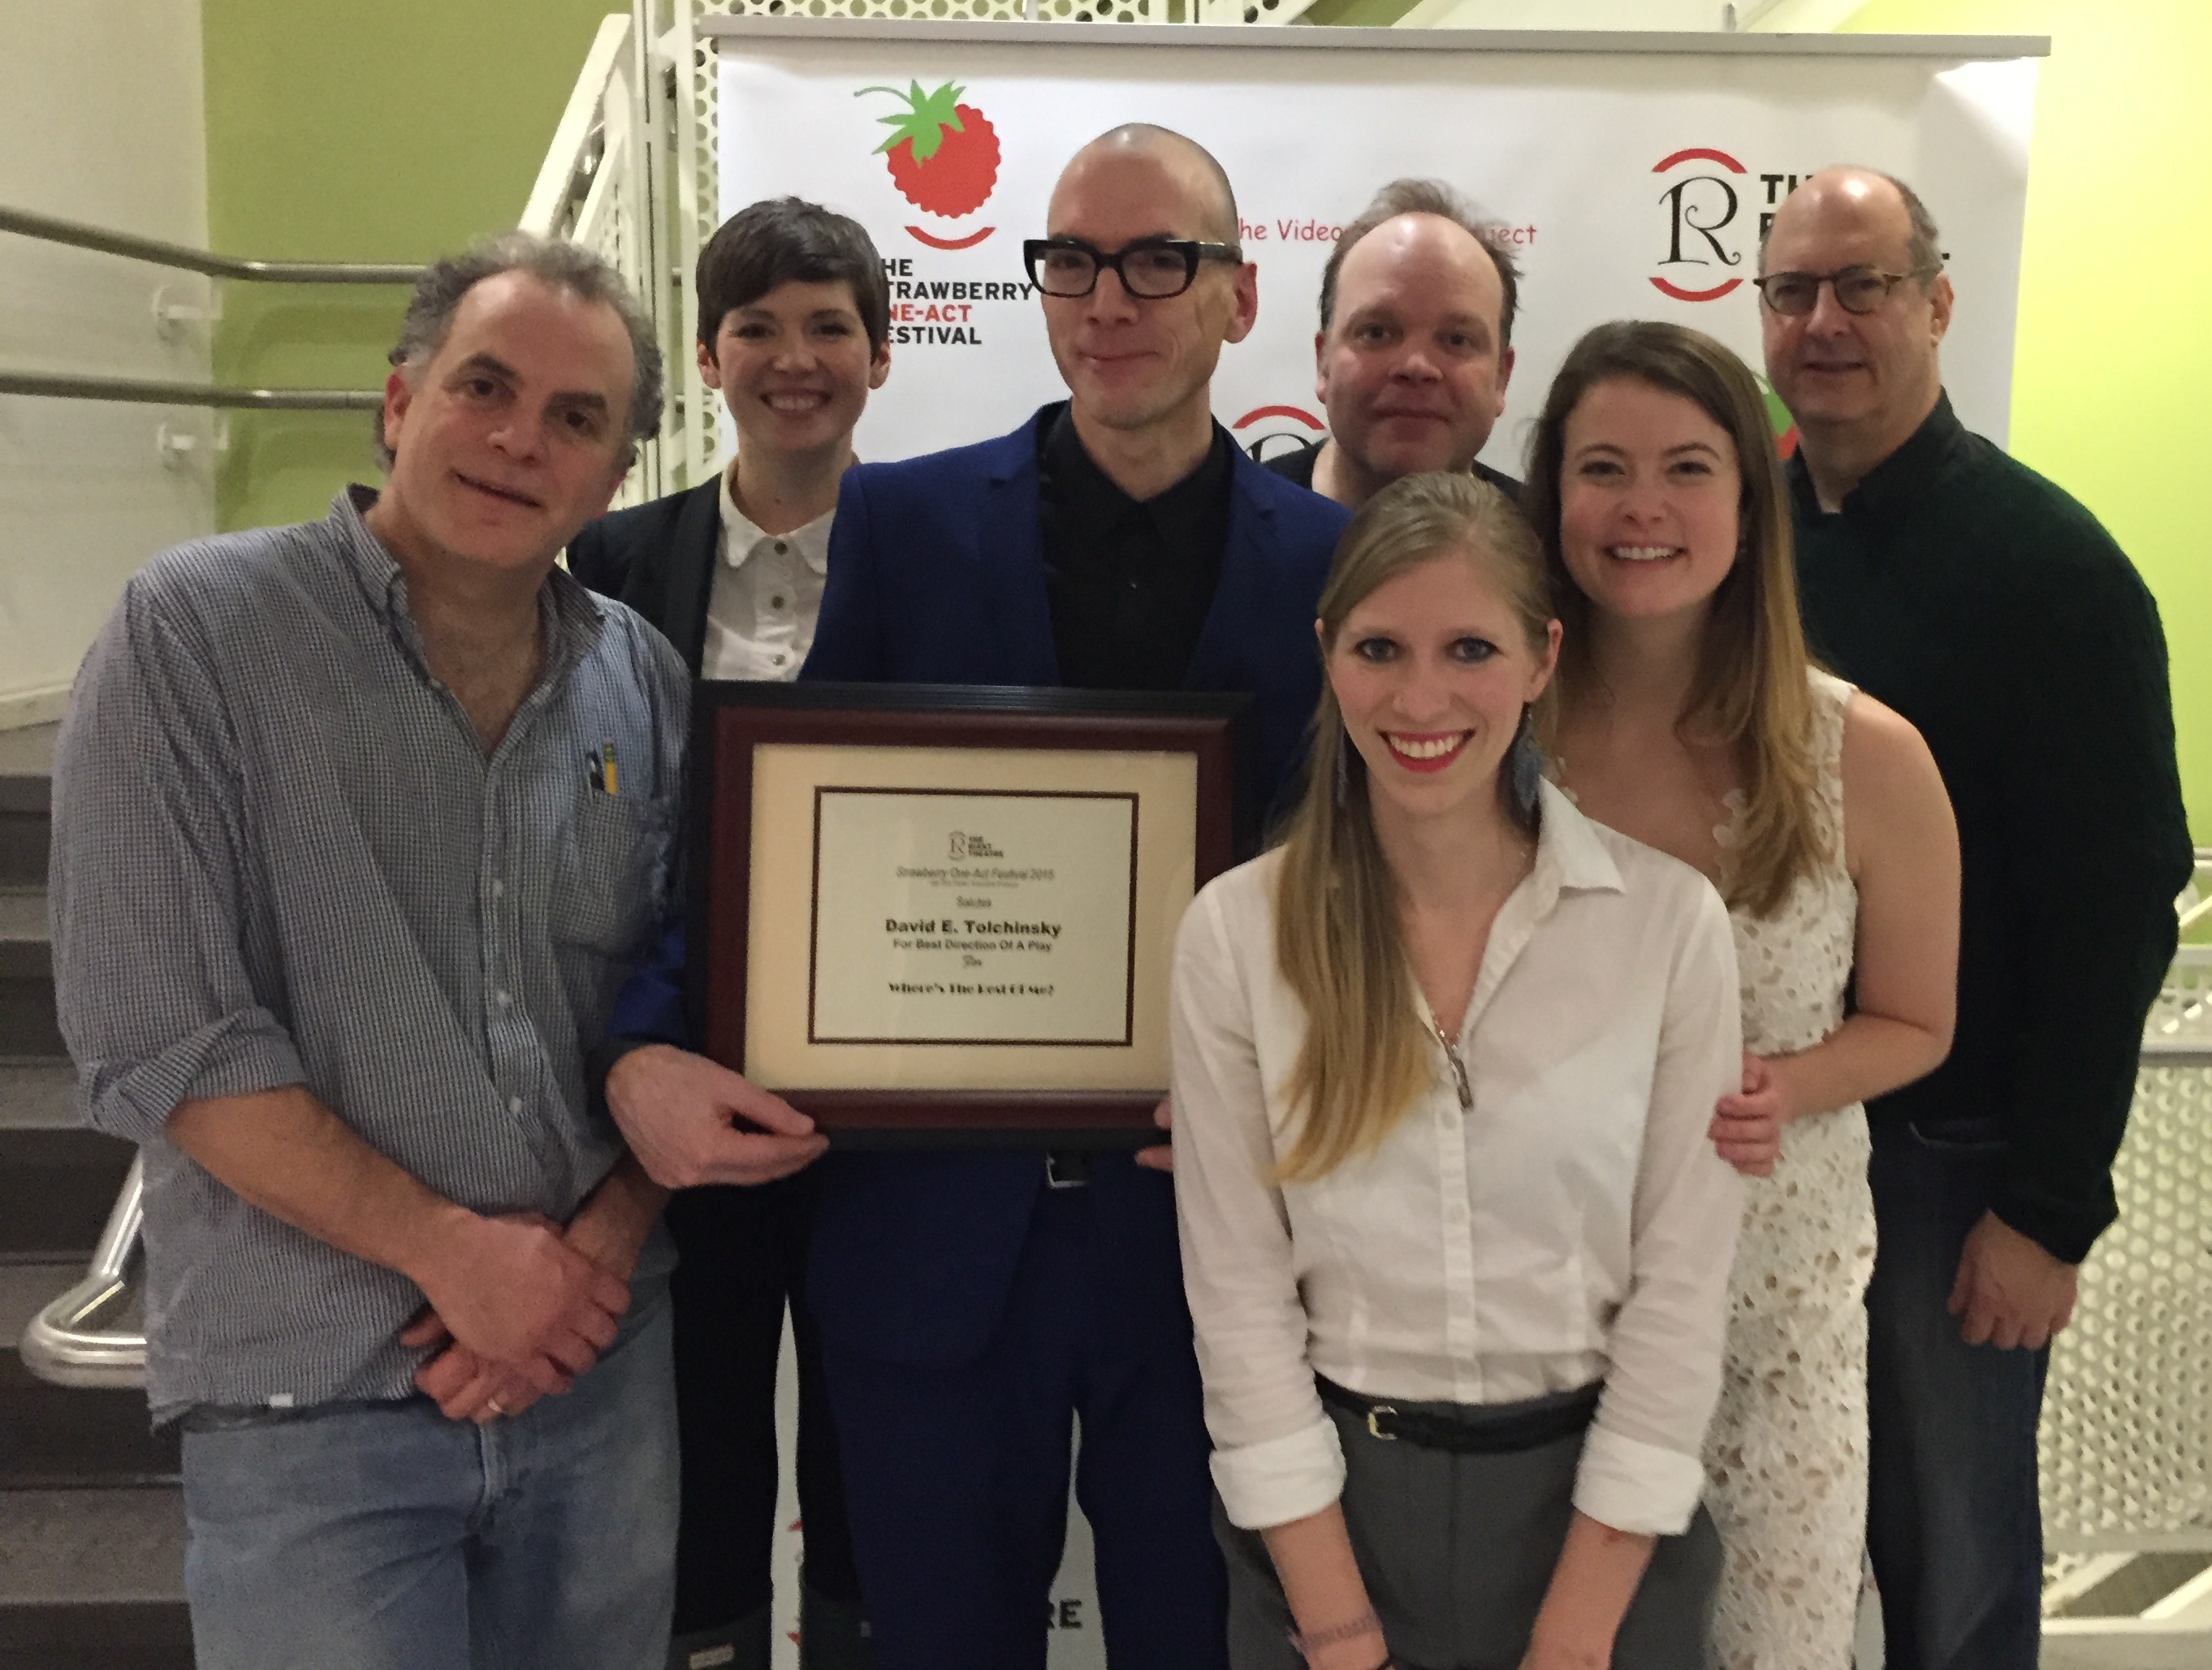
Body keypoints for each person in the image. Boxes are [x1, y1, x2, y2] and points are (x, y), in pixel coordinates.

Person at [601, 123, 1351, 1669]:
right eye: (1070, 261)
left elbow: (1387, 879)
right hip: (934, 1230)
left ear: (1237, 294)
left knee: (1198, 1644)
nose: (1108, 299)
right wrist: (645, 1041)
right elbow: (788, 839)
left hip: (1220, 1234)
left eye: (1159, 260)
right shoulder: (906, 521)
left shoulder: (1339, 564)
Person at [46, 233, 825, 1670]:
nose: (520, 439)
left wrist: (576, 1272)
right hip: (312, 1408)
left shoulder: (638, 681)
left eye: (576, 418)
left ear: (613, 474)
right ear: (399, 402)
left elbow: (674, 1004)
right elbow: (161, 1033)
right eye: (485, 386)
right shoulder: (195, 638)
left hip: (592, 1389)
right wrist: (452, 1258)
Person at [1173, 470, 1746, 1670]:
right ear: (1329, 652)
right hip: (1326, 1525)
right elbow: (1239, 1305)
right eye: (1381, 647)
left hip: (1601, 1521)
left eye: (1469, 647)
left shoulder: (1665, 926)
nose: (1420, 696)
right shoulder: (1237, 933)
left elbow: (1682, 1300)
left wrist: (1577, 1639)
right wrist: (1336, 1633)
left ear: (1542, 658)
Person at [1758, 167, 2193, 1670]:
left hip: (1948, 1173)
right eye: (1789, 291)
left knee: (1949, 1577)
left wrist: (2046, 1208)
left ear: (1936, 304)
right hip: (1744, 1143)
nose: (1820, 324)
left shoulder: (2050, 574)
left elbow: (2114, 906)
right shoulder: (1724, 543)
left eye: (1858, 286)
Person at [1523, 319, 1960, 1668]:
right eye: (1600, 467)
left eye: (1684, 468)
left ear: (1747, 497)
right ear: (1549, 498)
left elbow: (1913, 1021)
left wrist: (1781, 1084)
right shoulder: (1487, 729)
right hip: (1534, 1329)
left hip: (1767, 1326)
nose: (1639, 506)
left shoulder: (1862, 751)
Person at [568, 196, 888, 1670]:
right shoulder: (608, 565)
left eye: (829, 322)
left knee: (869, 1455)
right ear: (707, 355)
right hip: (667, 1094)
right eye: (757, 324)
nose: (794, 354)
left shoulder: (941, 552)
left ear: (878, 354)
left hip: (885, 1097)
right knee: (690, 1454)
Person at [1261, 179, 1522, 507]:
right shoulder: (1227, 533)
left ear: (1502, 376)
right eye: (1377, 333)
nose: (1416, 367)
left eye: (1457, 339)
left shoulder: (1544, 545)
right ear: (1322, 361)